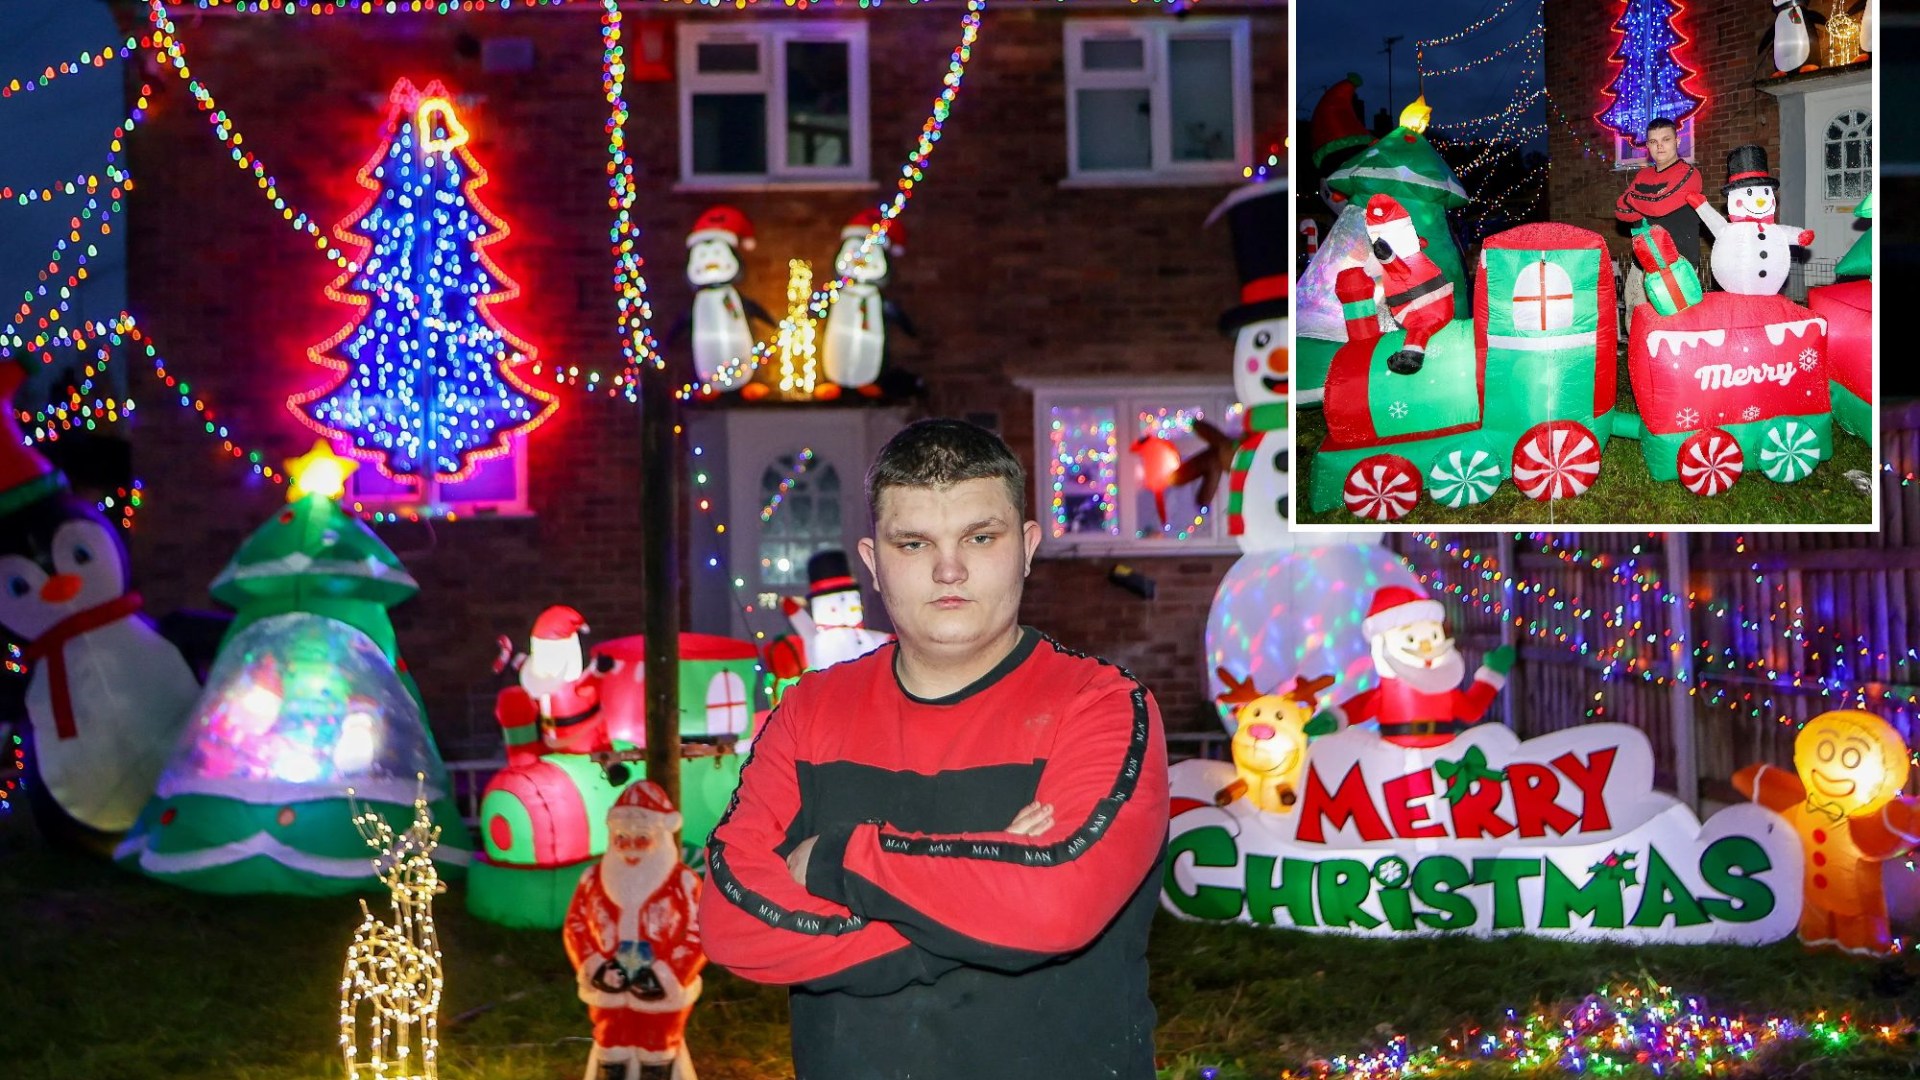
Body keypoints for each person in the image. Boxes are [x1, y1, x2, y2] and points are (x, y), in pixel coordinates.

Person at [699, 418, 1171, 1080]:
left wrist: (835, 860)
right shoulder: (809, 710)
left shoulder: (1102, 707)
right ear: (873, 562)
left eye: (980, 537)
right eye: (914, 543)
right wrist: (984, 905)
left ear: (1028, 547)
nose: (949, 570)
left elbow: (1054, 906)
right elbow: (729, 919)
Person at [1615, 117, 1705, 311]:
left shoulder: (1689, 173)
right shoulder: (1642, 175)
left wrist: (1633, 197)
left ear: (1677, 141)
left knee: (1676, 321)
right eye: (1653, 141)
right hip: (1642, 263)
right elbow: (1621, 211)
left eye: (1666, 139)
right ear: (1647, 145)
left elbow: (1658, 206)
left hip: (1679, 265)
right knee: (1636, 318)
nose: (1659, 146)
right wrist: (1652, 199)